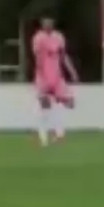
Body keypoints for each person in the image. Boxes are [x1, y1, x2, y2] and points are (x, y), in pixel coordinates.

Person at [32, 15, 78, 146]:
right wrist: (41, 77)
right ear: (42, 24)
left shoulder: (58, 37)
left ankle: (59, 133)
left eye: (50, 22)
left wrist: (72, 71)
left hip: (57, 76)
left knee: (68, 103)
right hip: (44, 76)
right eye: (45, 22)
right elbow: (38, 58)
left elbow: (64, 56)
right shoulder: (38, 38)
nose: (48, 24)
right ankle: (43, 137)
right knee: (44, 106)